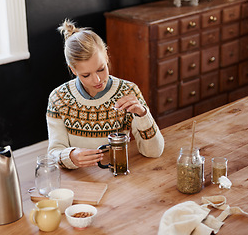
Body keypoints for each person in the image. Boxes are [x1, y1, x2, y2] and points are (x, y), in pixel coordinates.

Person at [46, 19, 164, 169]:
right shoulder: (58, 98)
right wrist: (69, 156)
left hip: (117, 175)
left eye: (101, 69)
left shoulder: (128, 91)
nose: (97, 80)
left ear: (107, 56)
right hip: (79, 179)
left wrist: (142, 114)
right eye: (86, 75)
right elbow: (54, 152)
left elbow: (154, 152)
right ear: (73, 70)